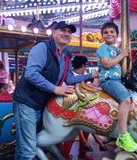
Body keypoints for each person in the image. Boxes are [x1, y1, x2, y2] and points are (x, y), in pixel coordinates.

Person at [13, 21, 99, 159]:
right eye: (62, 30)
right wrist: (55, 88)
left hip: (42, 103)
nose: (66, 34)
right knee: (29, 148)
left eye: (69, 32)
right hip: (27, 101)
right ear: (54, 33)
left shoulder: (65, 55)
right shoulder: (42, 48)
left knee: (26, 145)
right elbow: (31, 74)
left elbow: (69, 79)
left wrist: (91, 75)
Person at [96, 22, 137, 152]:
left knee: (132, 101)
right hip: (108, 80)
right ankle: (122, 136)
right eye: (106, 32)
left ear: (117, 35)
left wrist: (125, 54)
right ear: (102, 35)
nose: (109, 34)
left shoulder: (115, 50)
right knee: (126, 100)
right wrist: (121, 55)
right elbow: (107, 64)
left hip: (117, 80)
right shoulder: (103, 48)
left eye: (112, 32)